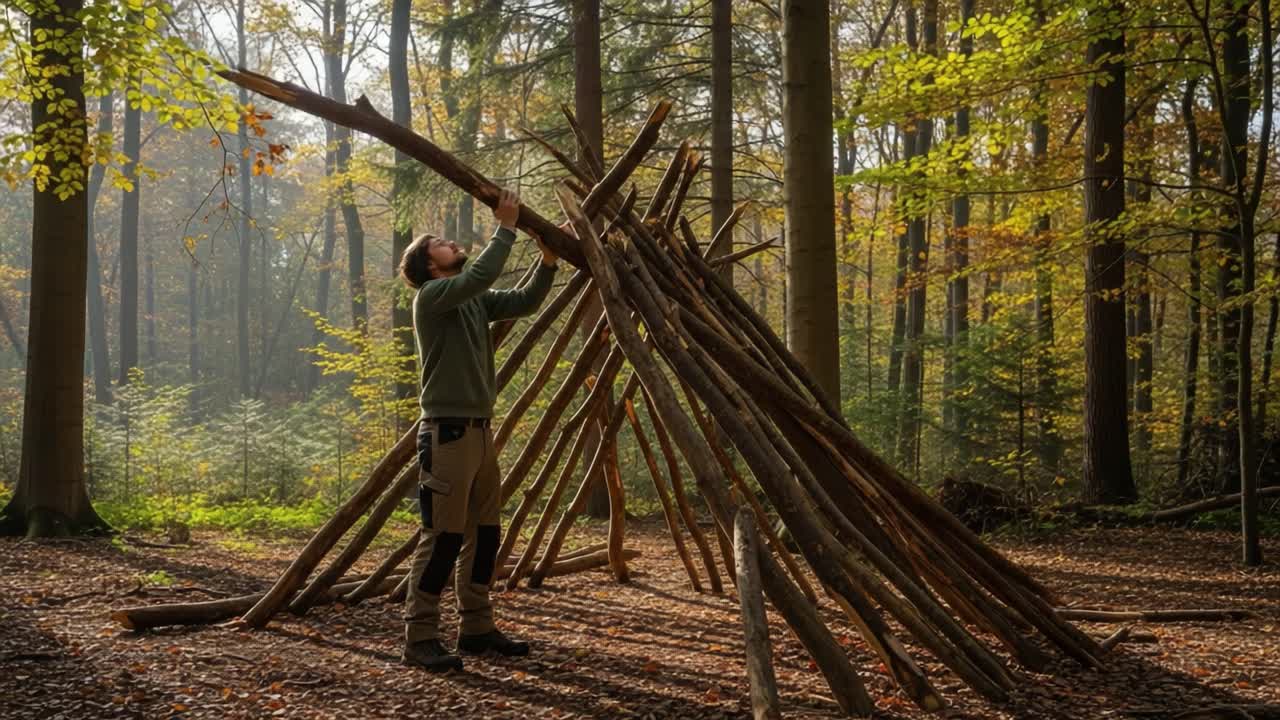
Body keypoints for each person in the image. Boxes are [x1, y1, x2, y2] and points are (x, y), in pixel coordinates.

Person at [396, 188, 559, 672]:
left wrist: (548, 261)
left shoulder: (472, 299)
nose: (449, 241)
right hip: (445, 433)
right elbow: (485, 271)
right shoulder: (434, 297)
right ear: (431, 266)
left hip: (480, 431)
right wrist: (506, 226)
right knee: (442, 535)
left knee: (484, 532)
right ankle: (419, 636)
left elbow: (524, 301)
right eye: (439, 243)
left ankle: (477, 626)